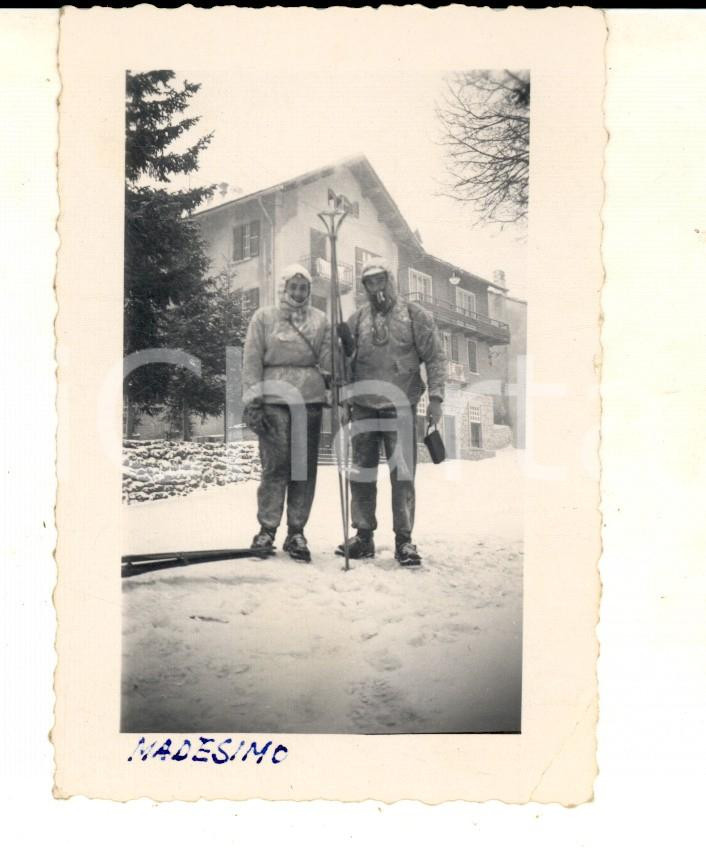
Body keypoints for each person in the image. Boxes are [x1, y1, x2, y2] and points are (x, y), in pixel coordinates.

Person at [335, 258, 446, 566]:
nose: (376, 287)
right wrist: (343, 398)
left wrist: (436, 397)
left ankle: (404, 540)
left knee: (403, 475)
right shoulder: (357, 320)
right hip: (363, 407)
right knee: (360, 472)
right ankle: (363, 535)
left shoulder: (414, 316)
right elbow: (345, 365)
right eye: (369, 282)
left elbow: (435, 357)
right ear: (365, 287)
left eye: (380, 280)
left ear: (390, 281)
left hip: (401, 405)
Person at [242, 263, 331, 562]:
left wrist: (344, 345)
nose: (298, 292)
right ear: (283, 287)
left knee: (303, 469)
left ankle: (297, 531)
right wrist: (253, 400)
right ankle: (267, 528)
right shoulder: (264, 318)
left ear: (309, 290)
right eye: (293, 286)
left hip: (309, 399)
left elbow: (329, 361)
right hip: (274, 400)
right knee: (275, 466)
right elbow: (252, 359)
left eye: (303, 287)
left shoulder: (321, 320)